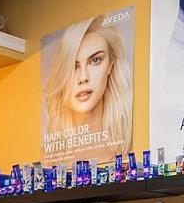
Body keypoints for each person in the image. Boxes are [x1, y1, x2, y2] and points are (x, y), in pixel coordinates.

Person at [41, 12, 133, 158]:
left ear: (110, 66)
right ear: (62, 73)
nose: (83, 78)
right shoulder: (47, 157)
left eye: (95, 60)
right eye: (73, 66)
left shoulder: (129, 147)